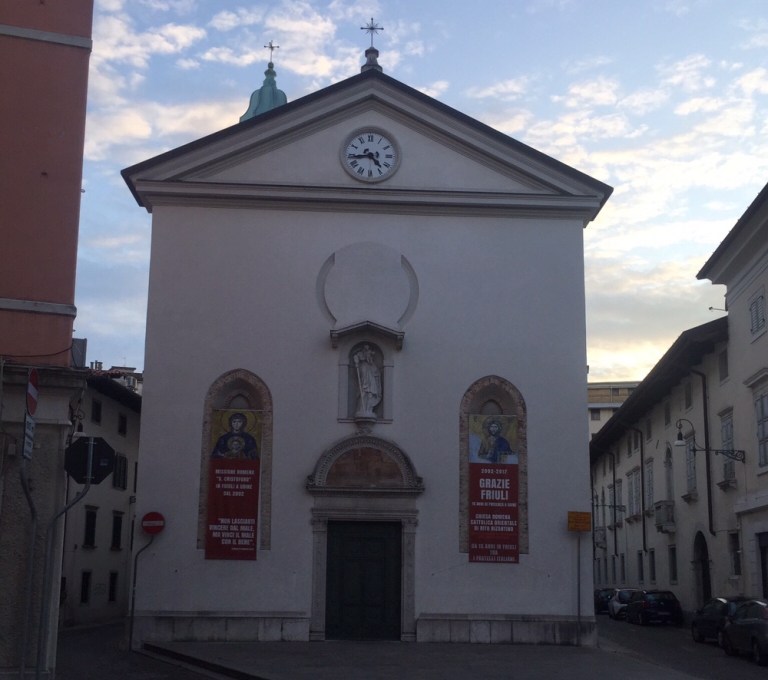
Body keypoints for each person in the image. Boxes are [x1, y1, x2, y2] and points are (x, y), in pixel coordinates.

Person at [353, 345, 381, 417]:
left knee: (370, 395)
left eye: (371, 356)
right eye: (368, 355)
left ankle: (369, 410)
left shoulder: (372, 365)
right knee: (364, 393)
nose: (370, 357)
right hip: (365, 385)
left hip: (371, 386)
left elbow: (376, 373)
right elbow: (360, 374)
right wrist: (356, 362)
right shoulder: (363, 366)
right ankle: (362, 410)